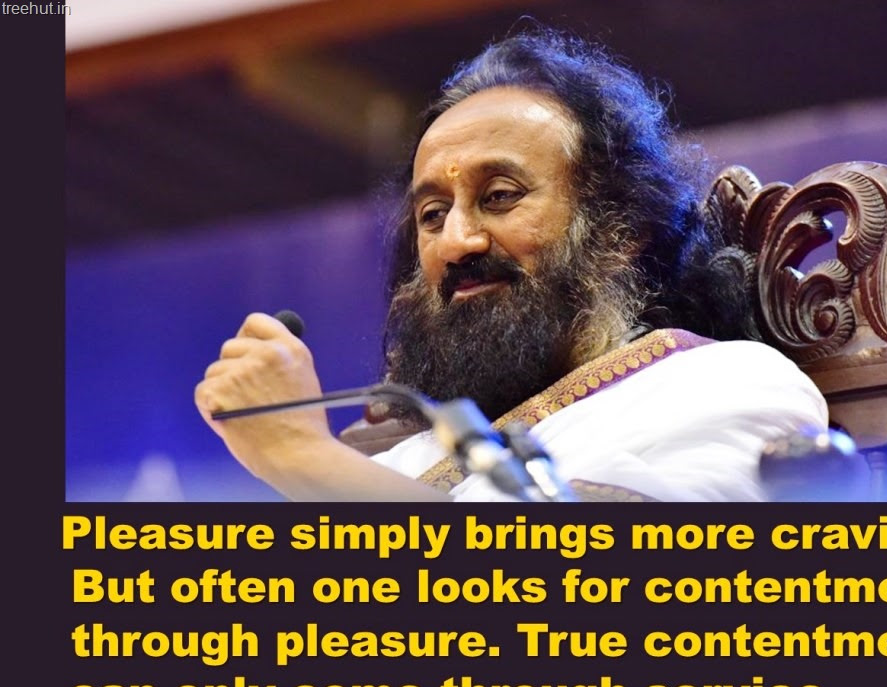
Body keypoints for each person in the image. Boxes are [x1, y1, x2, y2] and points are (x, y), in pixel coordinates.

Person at [194, 28, 828, 502]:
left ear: (620, 232)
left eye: (499, 197)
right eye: (433, 214)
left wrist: (300, 454)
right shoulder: (405, 458)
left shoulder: (723, 385)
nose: (456, 242)